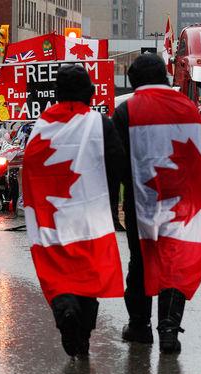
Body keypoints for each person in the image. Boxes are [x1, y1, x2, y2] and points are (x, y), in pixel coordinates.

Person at [112, 54, 201, 354]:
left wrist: (113, 202)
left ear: (133, 81)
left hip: (141, 202)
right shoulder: (188, 109)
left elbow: (115, 162)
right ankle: (169, 330)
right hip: (185, 203)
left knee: (141, 261)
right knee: (175, 262)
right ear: (164, 76)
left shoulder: (126, 111)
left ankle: (140, 327)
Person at [22, 64, 125, 357]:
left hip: (52, 215)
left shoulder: (41, 125)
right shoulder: (99, 123)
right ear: (90, 93)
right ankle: (83, 334)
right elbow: (117, 161)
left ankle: (65, 310)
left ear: (56, 94)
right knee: (88, 274)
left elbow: (30, 169)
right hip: (90, 214)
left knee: (58, 273)